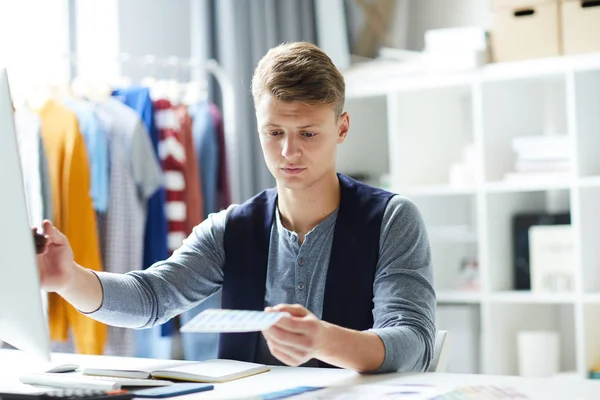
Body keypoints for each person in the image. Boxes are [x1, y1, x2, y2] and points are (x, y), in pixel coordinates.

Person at [35, 42, 436, 373]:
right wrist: (68, 278)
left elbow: (413, 341)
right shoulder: (231, 227)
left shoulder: (392, 219)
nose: (288, 151)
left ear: (342, 128)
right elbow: (152, 296)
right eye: (274, 132)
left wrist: (324, 340)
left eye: (308, 133)